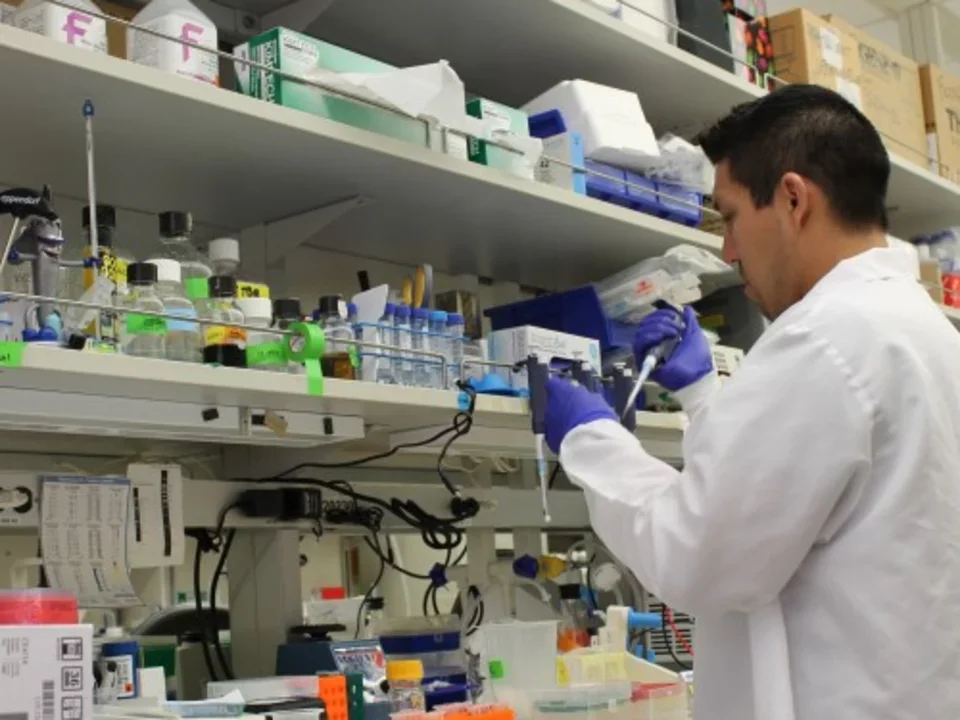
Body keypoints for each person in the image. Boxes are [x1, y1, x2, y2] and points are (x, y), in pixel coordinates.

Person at [544, 84, 960, 720]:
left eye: (731, 216)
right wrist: (705, 394)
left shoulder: (825, 338)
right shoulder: (924, 331)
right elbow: (793, 500)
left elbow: (697, 554)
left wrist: (591, 439)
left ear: (793, 199)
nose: (729, 251)